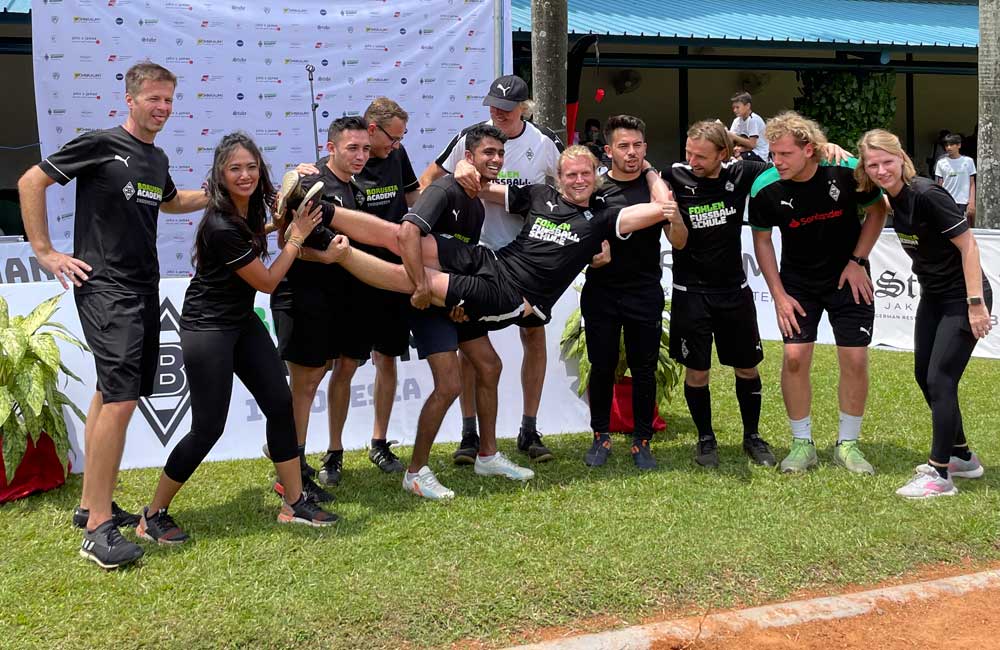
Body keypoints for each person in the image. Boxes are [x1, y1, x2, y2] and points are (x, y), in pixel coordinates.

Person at [17, 62, 208, 569]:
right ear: (130, 99)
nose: (163, 108)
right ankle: (99, 529)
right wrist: (44, 251)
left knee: (111, 391)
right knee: (122, 400)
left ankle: (89, 507)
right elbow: (30, 180)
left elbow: (171, 202)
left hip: (143, 289)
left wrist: (225, 192)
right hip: (105, 287)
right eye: (154, 99)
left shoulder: (156, 157)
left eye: (169, 100)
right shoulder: (100, 143)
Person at [134, 133, 338, 545]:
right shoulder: (219, 224)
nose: (244, 175)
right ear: (220, 176)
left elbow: (262, 230)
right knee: (208, 428)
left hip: (241, 322)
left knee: (280, 405)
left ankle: (294, 502)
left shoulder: (249, 208)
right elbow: (266, 281)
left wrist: (287, 203)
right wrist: (295, 237)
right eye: (234, 169)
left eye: (250, 167)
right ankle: (152, 514)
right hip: (207, 327)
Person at [316, 145, 675, 358]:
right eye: (570, 175)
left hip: (511, 295)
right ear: (559, 177)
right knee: (402, 237)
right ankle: (320, 207)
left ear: (594, 176)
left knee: (412, 279)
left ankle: (339, 252)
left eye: (584, 174)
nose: (578, 180)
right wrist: (461, 165)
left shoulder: (601, 217)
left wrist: (648, 172)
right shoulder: (538, 195)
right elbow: (482, 186)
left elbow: (664, 209)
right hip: (491, 259)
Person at [419, 74, 564, 464]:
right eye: (492, 106)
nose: (497, 113)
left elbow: (569, 187)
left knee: (533, 338)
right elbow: (428, 180)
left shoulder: (544, 143)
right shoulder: (472, 136)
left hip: (525, 261)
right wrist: (456, 176)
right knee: (471, 344)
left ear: (524, 109)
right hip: (476, 258)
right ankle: (470, 433)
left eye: (506, 108)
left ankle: (529, 429)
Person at [395, 124, 532, 498]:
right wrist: (421, 286)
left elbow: (460, 263)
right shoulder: (444, 189)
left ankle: (487, 455)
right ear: (467, 158)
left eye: (500, 154)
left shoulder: (475, 201)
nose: (496, 160)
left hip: (451, 299)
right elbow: (406, 233)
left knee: (489, 365)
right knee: (450, 384)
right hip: (423, 302)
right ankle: (415, 471)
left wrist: (460, 303)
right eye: (488, 153)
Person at [856, 129, 993, 498]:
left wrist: (975, 304)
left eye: (887, 161)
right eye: (874, 165)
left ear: (901, 158)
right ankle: (962, 456)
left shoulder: (926, 194)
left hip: (963, 297)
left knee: (940, 379)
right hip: (933, 296)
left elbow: (969, 247)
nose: (882, 170)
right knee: (923, 375)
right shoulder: (890, 197)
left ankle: (940, 475)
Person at [749, 111, 888, 475]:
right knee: (794, 358)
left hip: (849, 278)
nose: (776, 161)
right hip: (798, 284)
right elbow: (762, 242)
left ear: (809, 149)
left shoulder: (845, 170)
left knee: (855, 361)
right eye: (773, 154)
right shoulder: (765, 188)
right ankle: (801, 444)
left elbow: (878, 211)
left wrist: (857, 261)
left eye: (784, 154)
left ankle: (849, 445)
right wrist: (779, 295)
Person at [292, 98, 421, 486]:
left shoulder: (397, 158)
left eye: (400, 139)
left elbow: (415, 200)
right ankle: (330, 452)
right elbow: (292, 227)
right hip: (350, 278)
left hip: (392, 274)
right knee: (336, 367)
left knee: (387, 359)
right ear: (370, 127)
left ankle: (379, 442)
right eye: (390, 138)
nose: (393, 146)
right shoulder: (325, 171)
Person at [269, 116, 382, 502]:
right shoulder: (308, 183)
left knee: (317, 379)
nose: (361, 156)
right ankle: (293, 470)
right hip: (301, 297)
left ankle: (294, 458)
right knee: (305, 384)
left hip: (338, 300)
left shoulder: (357, 189)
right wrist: (326, 257)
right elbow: (290, 239)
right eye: (352, 148)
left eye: (366, 148)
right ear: (331, 147)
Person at [581, 115, 680, 470]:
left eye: (638, 145)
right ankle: (600, 436)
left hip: (644, 292)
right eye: (623, 146)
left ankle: (642, 440)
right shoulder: (595, 189)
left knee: (644, 369)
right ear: (608, 151)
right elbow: (583, 237)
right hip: (602, 292)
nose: (632, 152)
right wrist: (593, 257)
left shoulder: (657, 188)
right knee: (602, 366)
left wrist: (655, 178)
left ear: (646, 150)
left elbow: (678, 239)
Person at [933, 133, 977, 227]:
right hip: (947, 201)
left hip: (963, 201)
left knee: (964, 228)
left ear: (959, 145)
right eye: (946, 145)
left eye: (951, 145)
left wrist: (972, 202)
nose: (949, 147)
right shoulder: (941, 163)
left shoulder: (968, 161)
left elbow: (972, 183)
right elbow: (940, 184)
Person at [729, 92, 769, 163]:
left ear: (747, 106)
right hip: (745, 150)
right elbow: (730, 140)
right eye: (733, 108)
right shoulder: (736, 121)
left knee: (737, 163)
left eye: (737, 107)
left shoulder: (753, 120)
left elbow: (752, 144)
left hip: (759, 153)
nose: (735, 110)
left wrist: (733, 136)